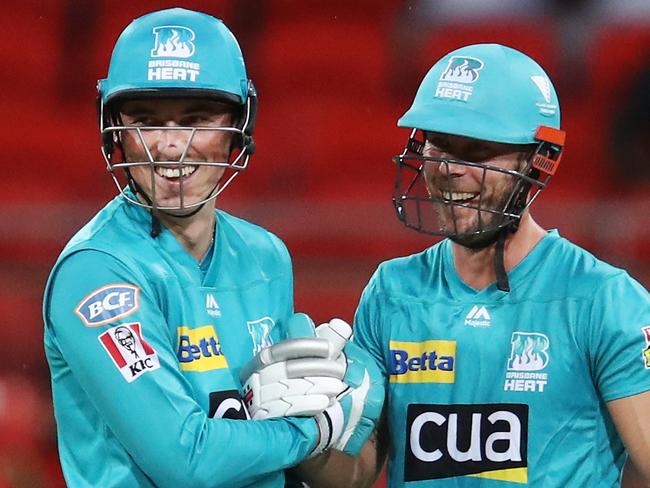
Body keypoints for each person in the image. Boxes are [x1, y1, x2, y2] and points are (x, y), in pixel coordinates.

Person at [42, 8, 383, 487]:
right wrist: (315, 429)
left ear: (238, 125)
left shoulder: (267, 256)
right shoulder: (96, 272)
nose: (169, 147)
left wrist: (353, 405)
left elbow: (316, 470)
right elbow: (187, 462)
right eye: (145, 121)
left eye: (195, 120)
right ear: (114, 127)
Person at [282, 43, 650, 487]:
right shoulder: (391, 291)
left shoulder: (603, 299)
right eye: (439, 145)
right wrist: (303, 432)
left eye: (476, 151)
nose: (450, 169)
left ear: (539, 160)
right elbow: (356, 475)